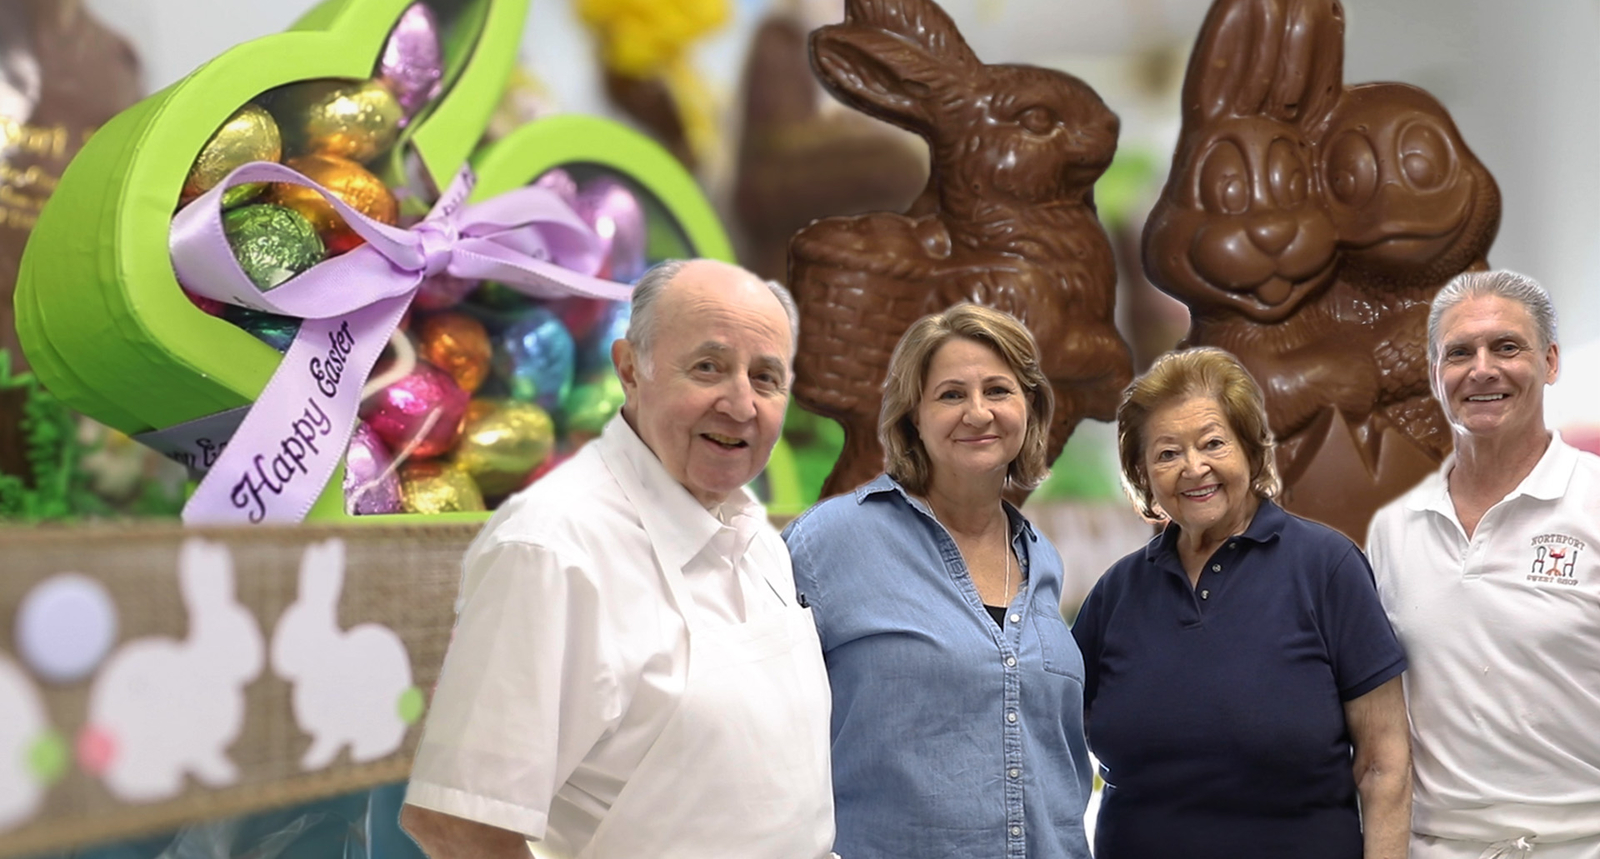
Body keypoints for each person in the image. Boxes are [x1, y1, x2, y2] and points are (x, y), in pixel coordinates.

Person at [399, 259, 835, 859]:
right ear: (631, 369)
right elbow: (456, 823)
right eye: (708, 367)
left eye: (765, 378)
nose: (740, 405)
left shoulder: (756, 537)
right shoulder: (552, 550)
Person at [1072, 346, 1411, 859]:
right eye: (1167, 453)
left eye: (1213, 443)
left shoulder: (1327, 567)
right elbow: (1051, 740)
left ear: (1251, 450)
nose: (1193, 468)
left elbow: (1383, 763)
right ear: (1143, 473)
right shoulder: (1115, 593)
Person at [782, 303, 1093, 859]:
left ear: (1028, 408)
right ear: (913, 417)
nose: (978, 412)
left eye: (998, 390)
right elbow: (763, 732)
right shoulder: (828, 542)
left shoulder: (1042, 558)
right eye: (951, 395)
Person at [1367, 270, 1600, 858]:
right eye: (1459, 353)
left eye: (1507, 347)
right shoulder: (1394, 530)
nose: (1482, 369)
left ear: (1550, 362)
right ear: (1434, 374)